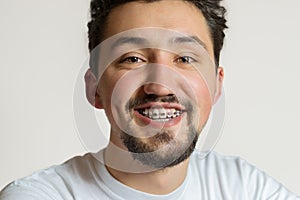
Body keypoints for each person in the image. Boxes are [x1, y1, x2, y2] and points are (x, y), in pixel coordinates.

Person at [0, 0, 299, 199]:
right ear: (95, 89)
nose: (159, 86)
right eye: (132, 58)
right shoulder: (41, 195)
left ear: (216, 86)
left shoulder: (246, 189)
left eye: (184, 58)